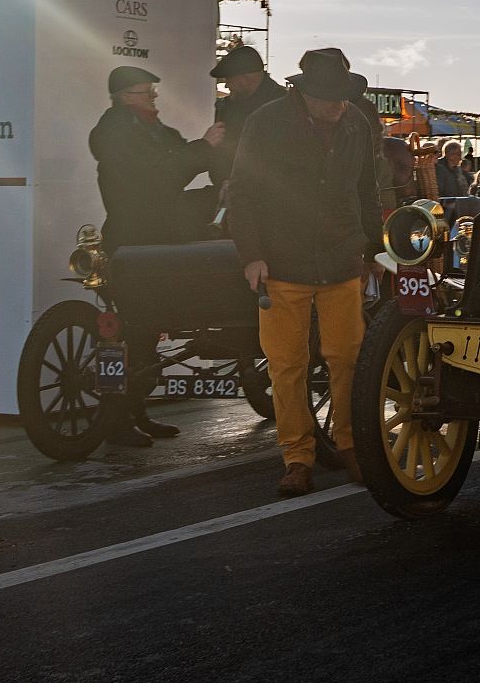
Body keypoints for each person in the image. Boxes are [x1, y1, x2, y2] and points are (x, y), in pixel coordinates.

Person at [230, 49, 384, 498]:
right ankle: (297, 458)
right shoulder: (266, 122)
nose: (338, 105)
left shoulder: (356, 122)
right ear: (305, 94)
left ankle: (350, 445)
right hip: (282, 262)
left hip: (340, 261)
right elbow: (243, 191)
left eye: (343, 96)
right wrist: (251, 256)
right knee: (286, 365)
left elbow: (367, 190)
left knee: (348, 359)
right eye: (329, 98)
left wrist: (373, 247)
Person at [89, 65, 226, 447]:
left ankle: (135, 412)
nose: (153, 98)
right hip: (132, 242)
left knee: (145, 333)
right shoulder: (113, 133)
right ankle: (115, 420)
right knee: (125, 335)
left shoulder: (155, 131)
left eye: (152, 92)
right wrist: (203, 148)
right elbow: (160, 176)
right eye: (146, 92)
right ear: (123, 97)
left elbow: (179, 162)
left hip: (158, 240)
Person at [208, 44, 283, 191]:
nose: (227, 85)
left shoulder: (282, 108)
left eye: (229, 79)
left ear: (246, 79)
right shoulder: (227, 106)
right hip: (229, 191)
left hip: (266, 197)